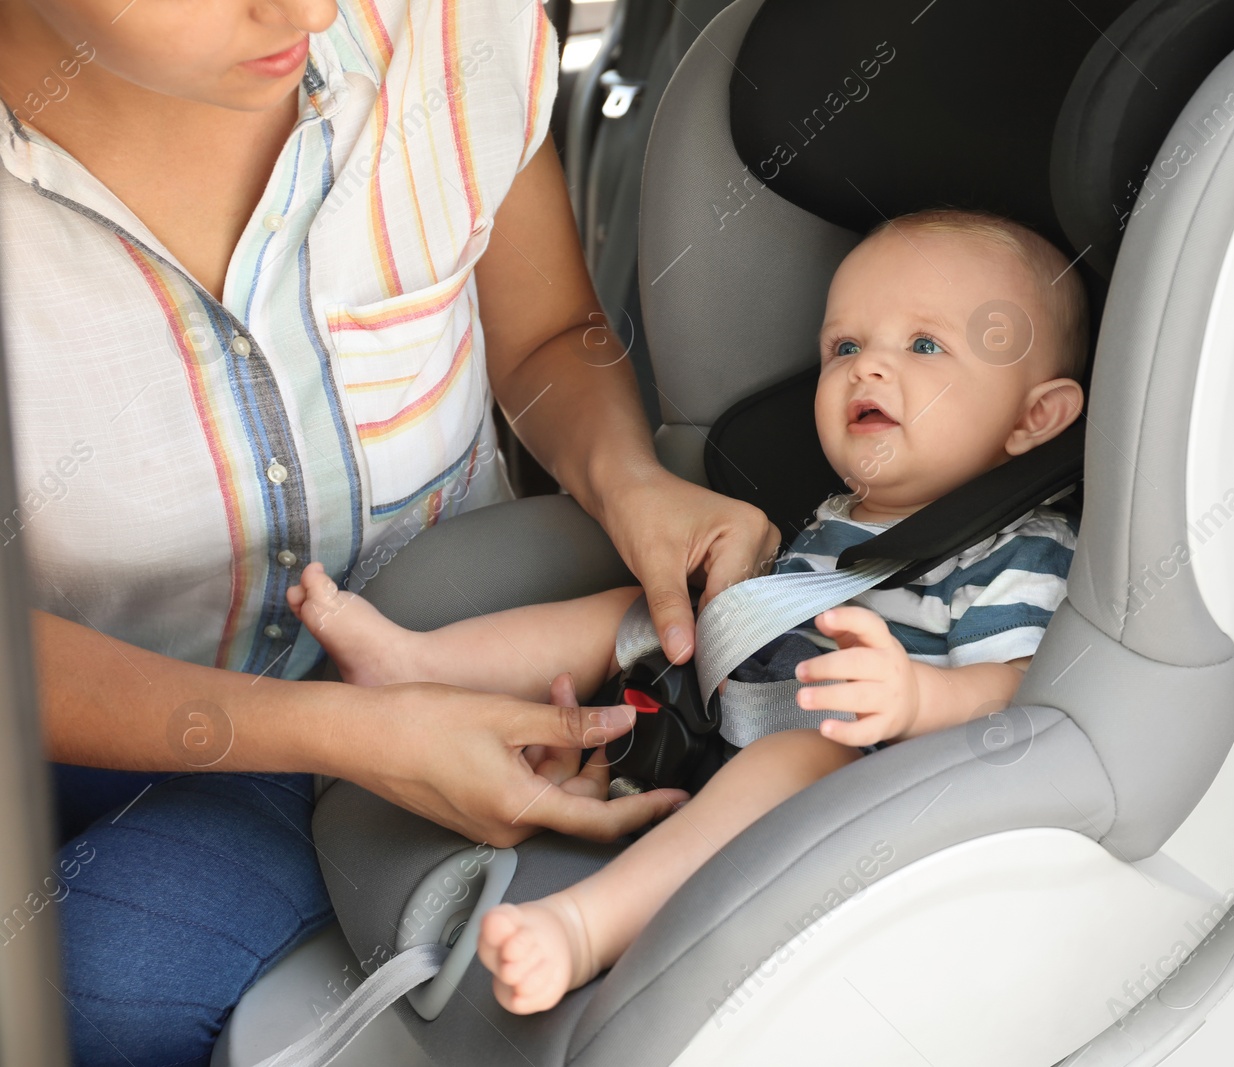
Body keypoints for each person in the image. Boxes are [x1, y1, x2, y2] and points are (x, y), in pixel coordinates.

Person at [0, 1, 775, 1063]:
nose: (312, 13)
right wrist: (354, 732)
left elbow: (546, 334)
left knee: (97, 984)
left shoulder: (448, 30)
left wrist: (629, 481)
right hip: (82, 698)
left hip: (445, 652)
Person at [286, 208, 1091, 1014]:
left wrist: (918, 698)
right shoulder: (846, 509)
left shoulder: (1021, 548)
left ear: (1036, 417)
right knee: (624, 613)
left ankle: (583, 925)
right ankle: (415, 664)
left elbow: (1025, 687)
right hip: (736, 692)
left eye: (924, 346)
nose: (867, 369)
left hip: (848, 764)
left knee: (797, 760)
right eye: (845, 346)